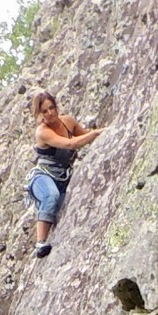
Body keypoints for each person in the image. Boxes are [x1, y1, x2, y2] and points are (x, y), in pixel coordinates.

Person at [27, 91, 104, 258]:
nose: (50, 113)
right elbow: (70, 144)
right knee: (51, 196)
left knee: (62, 208)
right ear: (40, 114)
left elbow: (84, 136)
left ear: (56, 106)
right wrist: (97, 133)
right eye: (45, 111)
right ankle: (40, 242)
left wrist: (99, 134)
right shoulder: (42, 132)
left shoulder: (68, 122)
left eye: (51, 108)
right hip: (43, 176)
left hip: (63, 177)